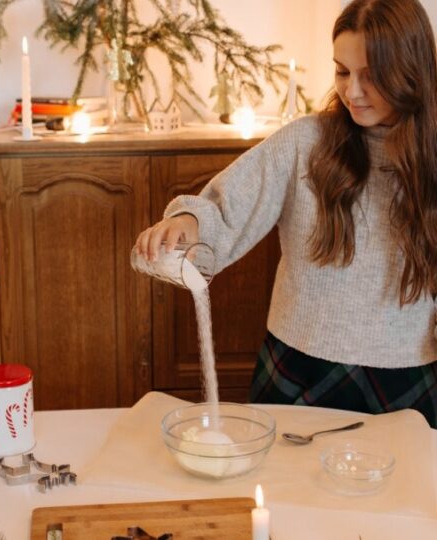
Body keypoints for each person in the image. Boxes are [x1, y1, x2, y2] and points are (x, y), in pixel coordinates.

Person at [134, 0, 437, 428]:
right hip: (298, 366)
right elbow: (227, 207)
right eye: (342, 71)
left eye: (371, 76)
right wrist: (186, 224)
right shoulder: (304, 143)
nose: (352, 91)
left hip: (407, 374)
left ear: (411, 71)